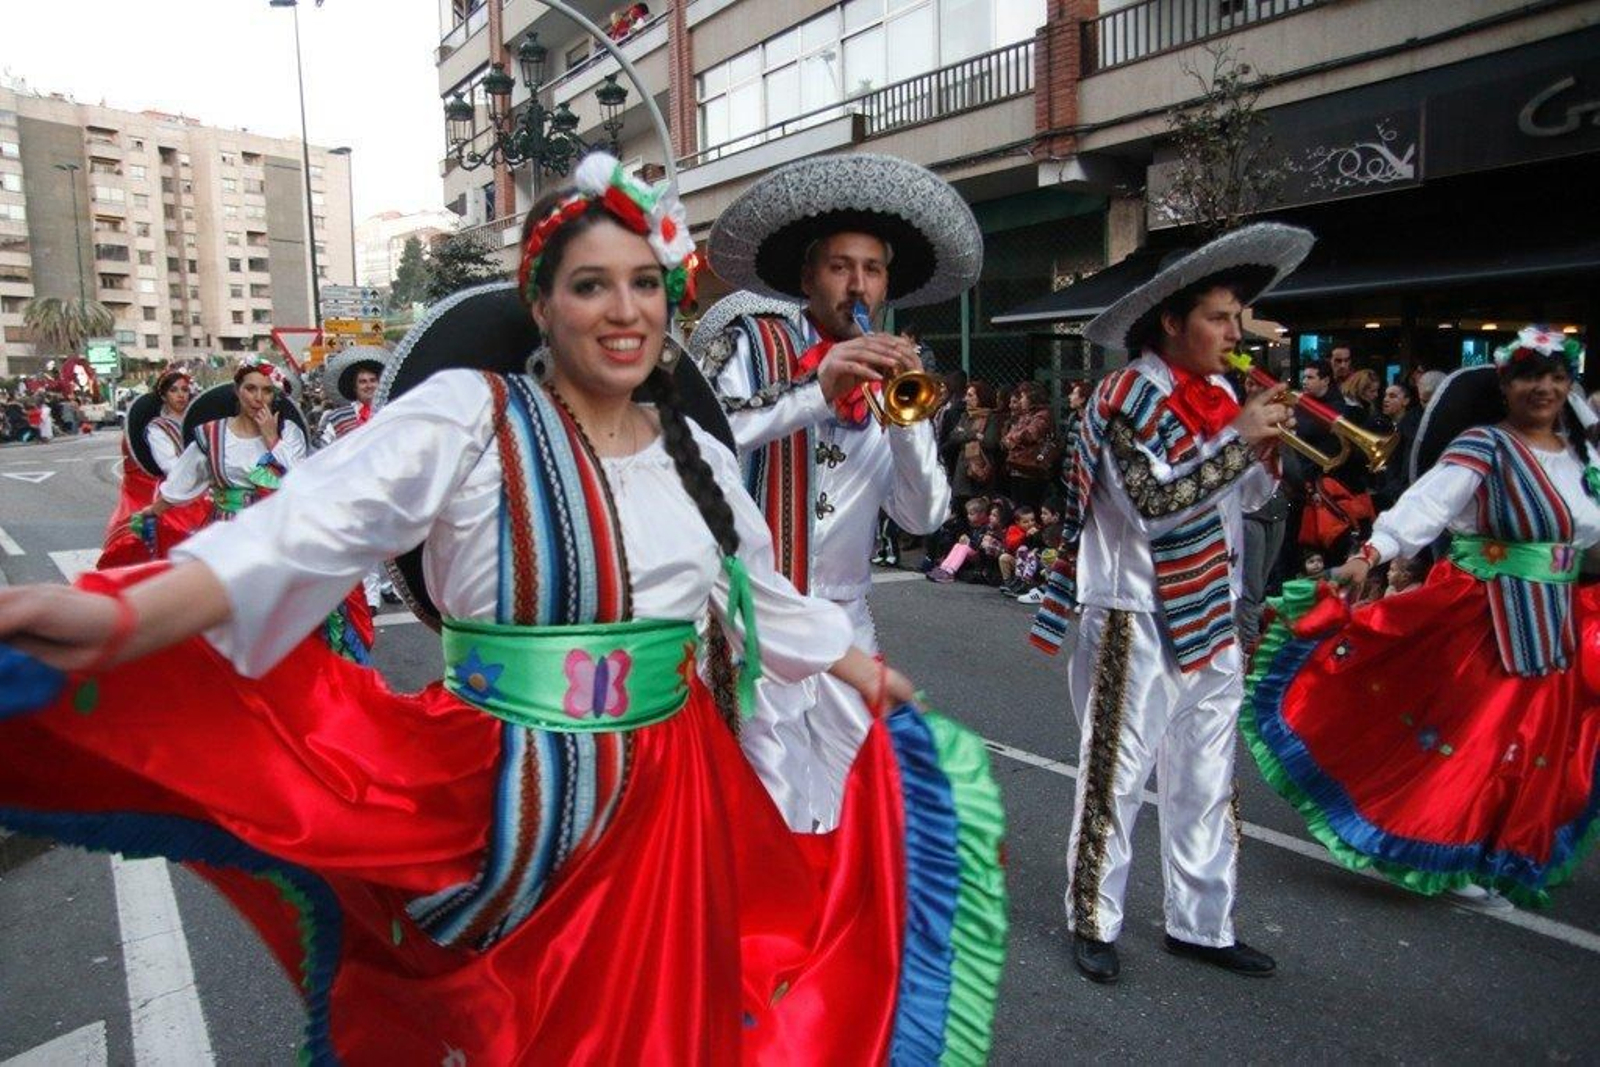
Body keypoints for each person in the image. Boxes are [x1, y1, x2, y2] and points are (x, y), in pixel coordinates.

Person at [0, 153, 1005, 1063]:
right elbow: (295, 533)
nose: (624, 310)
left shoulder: (688, 449)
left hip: (675, 799)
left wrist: (856, 666)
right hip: (507, 796)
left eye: (644, 284)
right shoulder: (466, 418)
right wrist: (127, 616)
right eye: (591, 284)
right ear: (543, 302)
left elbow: (755, 589)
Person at [1029, 222, 1309, 984]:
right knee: (1115, 775)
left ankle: (1203, 922)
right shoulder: (1125, 399)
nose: (1234, 334)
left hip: (1212, 608)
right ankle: (1093, 918)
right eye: (1220, 318)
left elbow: (1248, 497)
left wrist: (1263, 445)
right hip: (1133, 614)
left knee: (1208, 775)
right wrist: (1235, 440)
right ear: (1170, 320)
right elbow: (1157, 501)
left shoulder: (1220, 391)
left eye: (1237, 319)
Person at [1244, 326, 1600, 910]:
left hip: (1559, 616)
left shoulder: (1583, 456)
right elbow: (1425, 507)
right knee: (1477, 738)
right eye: (1531, 376)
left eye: (1557, 377)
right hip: (1489, 616)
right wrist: (1370, 555)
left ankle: (1499, 849)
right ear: (1506, 384)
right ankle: (1447, 848)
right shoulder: (1485, 447)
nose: (1544, 388)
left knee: (1536, 744)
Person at [697, 152, 974, 832]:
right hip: (754, 622)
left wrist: (905, 414)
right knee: (771, 806)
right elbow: (702, 437)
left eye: (872, 269)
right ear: (807, 276)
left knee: (859, 805)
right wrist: (817, 387)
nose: (857, 283)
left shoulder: (895, 372)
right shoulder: (752, 345)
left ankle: (832, 936)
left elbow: (923, 514)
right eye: (840, 266)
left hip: (849, 619)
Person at [98, 368, 211, 568]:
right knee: (177, 550)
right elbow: (171, 467)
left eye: (184, 390)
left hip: (203, 491)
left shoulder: (198, 423)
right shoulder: (158, 428)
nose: (180, 395)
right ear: (164, 395)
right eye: (174, 390)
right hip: (176, 496)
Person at [316, 345, 398, 612]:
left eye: (373, 380)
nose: (368, 385)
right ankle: (371, 596)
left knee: (389, 543)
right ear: (354, 386)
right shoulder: (337, 417)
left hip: (388, 489)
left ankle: (390, 587)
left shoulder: (394, 413)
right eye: (362, 381)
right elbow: (321, 452)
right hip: (353, 492)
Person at [941, 379, 1003, 508]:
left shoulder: (991, 417)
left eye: (970, 395)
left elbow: (990, 441)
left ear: (981, 397)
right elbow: (954, 436)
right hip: (963, 470)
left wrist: (965, 433)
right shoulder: (966, 416)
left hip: (980, 469)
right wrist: (974, 435)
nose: (966, 399)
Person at [1001, 381, 1058, 507]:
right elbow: (1007, 437)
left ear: (1032, 398)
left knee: (1030, 505)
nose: (1020, 401)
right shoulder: (1024, 415)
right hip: (1017, 468)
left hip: (1033, 468)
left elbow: (1030, 434)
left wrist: (1013, 438)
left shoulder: (1043, 415)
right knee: (1018, 504)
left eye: (1022, 397)